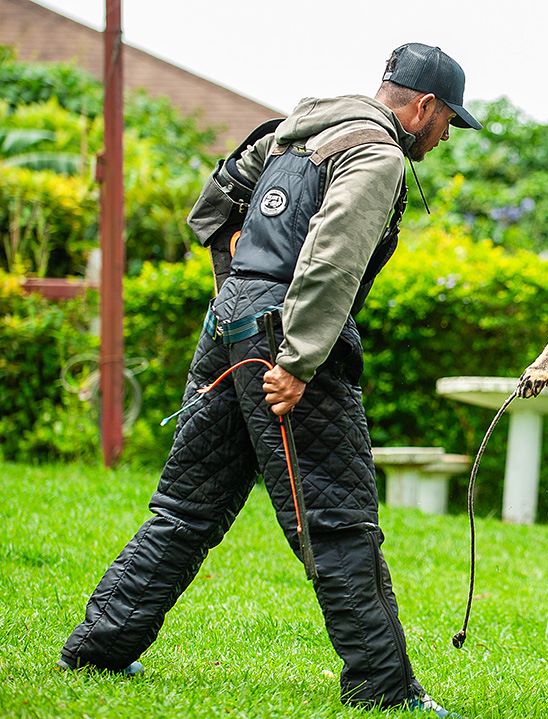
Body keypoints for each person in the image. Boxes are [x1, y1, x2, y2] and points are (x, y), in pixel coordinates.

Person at [56, 43, 481, 717]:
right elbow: (332, 255)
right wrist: (296, 359)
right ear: (423, 106)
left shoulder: (304, 128)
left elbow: (214, 203)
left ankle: (99, 644)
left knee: (187, 503)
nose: (447, 133)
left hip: (229, 327)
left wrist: (240, 296)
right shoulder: (376, 153)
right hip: (287, 339)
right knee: (338, 518)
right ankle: (383, 685)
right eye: (449, 119)